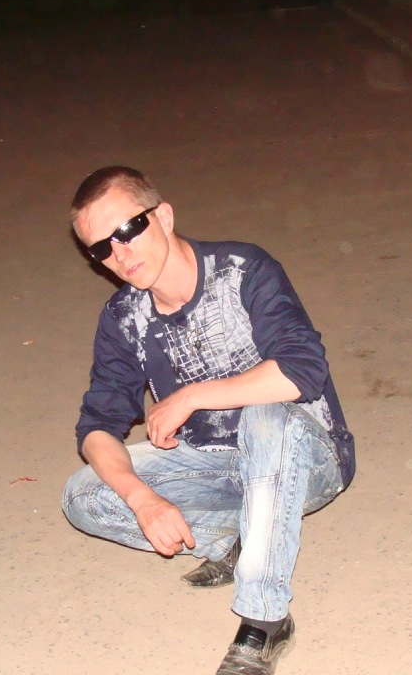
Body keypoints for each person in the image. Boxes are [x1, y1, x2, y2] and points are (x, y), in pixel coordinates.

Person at [61, 166, 356, 675]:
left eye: (128, 230)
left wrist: (191, 397)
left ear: (164, 216)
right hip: (218, 467)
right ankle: (241, 539)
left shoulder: (243, 270)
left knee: (265, 416)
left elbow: (302, 371)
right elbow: (96, 428)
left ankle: (265, 621)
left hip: (305, 456)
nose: (120, 254)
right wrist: (143, 499)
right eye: (101, 248)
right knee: (85, 496)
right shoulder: (123, 317)